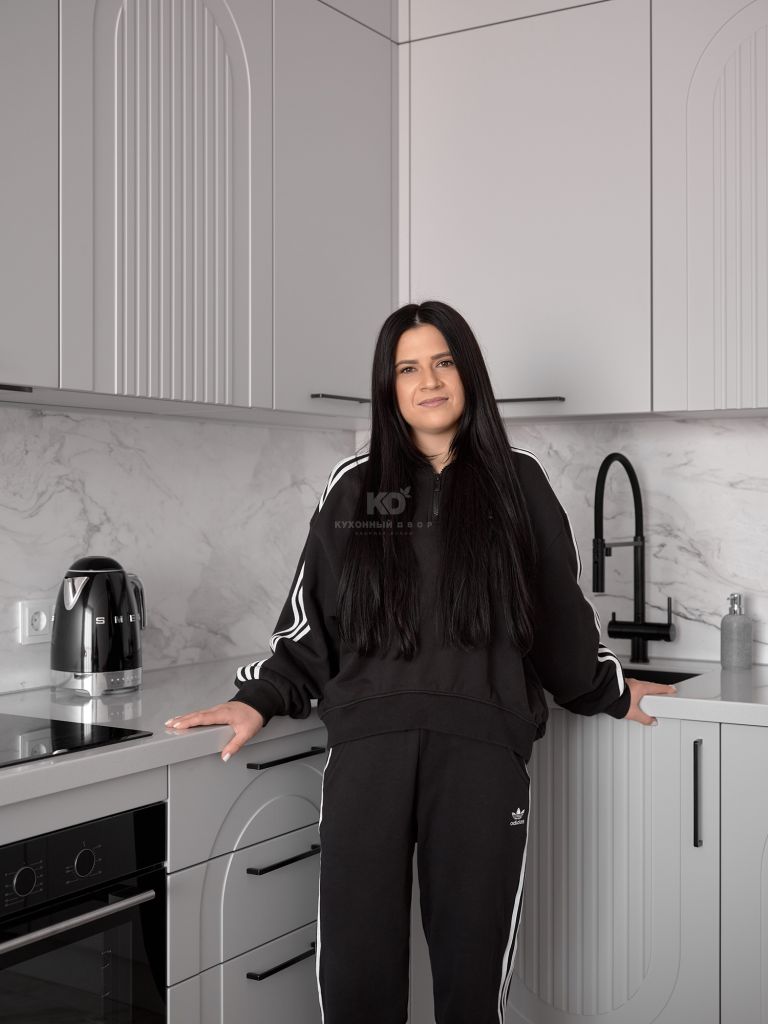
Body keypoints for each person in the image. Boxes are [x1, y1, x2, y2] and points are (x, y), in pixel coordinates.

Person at [165, 300, 677, 1024]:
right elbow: (313, 618)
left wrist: (611, 691)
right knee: (357, 977)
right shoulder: (356, 486)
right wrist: (260, 697)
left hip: (482, 756)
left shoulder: (519, 483)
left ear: (469, 374)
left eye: (443, 362)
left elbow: (558, 619)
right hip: (369, 754)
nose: (428, 381)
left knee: (471, 982)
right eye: (408, 368)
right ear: (389, 386)